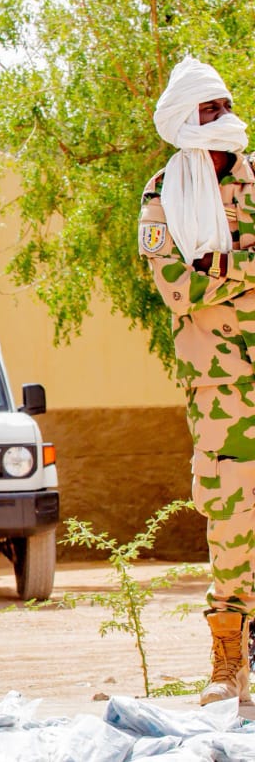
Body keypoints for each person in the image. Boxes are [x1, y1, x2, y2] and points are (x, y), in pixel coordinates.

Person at [140, 56, 255, 706]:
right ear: (185, 118)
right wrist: (246, 269)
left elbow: (200, 280)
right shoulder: (162, 194)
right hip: (219, 386)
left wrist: (220, 266)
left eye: (226, 106)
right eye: (210, 109)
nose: (223, 118)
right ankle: (228, 662)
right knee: (232, 522)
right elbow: (176, 287)